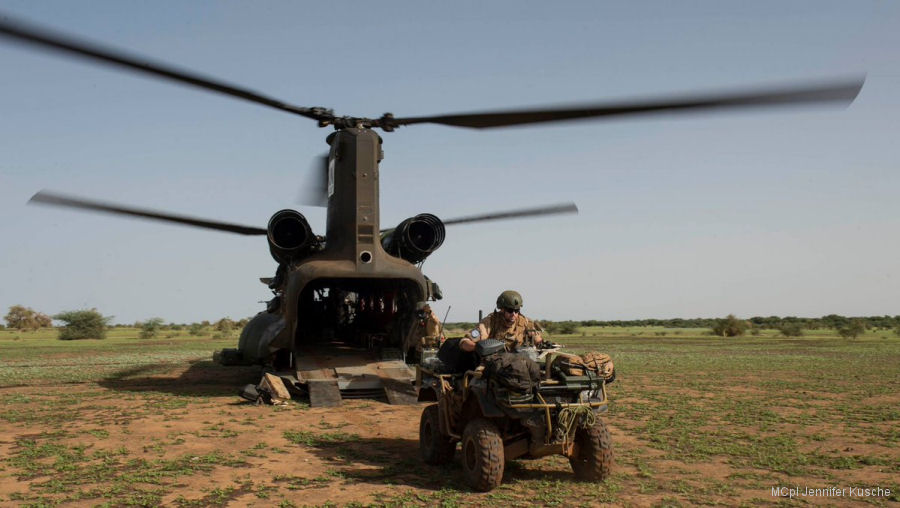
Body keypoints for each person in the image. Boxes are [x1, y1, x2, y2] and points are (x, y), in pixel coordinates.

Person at [460, 290, 543, 352]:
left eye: (517, 310)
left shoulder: (524, 322)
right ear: (502, 309)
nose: (514, 314)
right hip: (494, 363)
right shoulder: (489, 323)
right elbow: (464, 343)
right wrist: (480, 348)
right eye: (510, 310)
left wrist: (540, 342)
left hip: (518, 361)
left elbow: (537, 339)